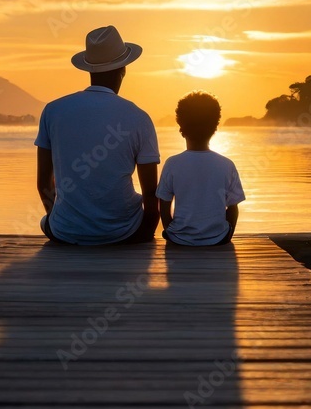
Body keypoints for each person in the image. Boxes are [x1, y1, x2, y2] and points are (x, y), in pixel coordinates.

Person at [35, 25, 160, 245]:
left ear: (89, 70)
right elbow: (151, 194)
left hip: (65, 232)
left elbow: (43, 182)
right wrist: (145, 234)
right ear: (123, 70)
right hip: (124, 231)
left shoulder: (53, 111)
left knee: (44, 221)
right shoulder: (139, 117)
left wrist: (62, 222)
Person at [157, 91, 245, 246]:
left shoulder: (173, 163)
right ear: (214, 129)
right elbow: (233, 208)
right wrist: (227, 234)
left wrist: (171, 230)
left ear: (181, 129)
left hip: (179, 238)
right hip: (218, 238)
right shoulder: (226, 165)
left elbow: (164, 205)